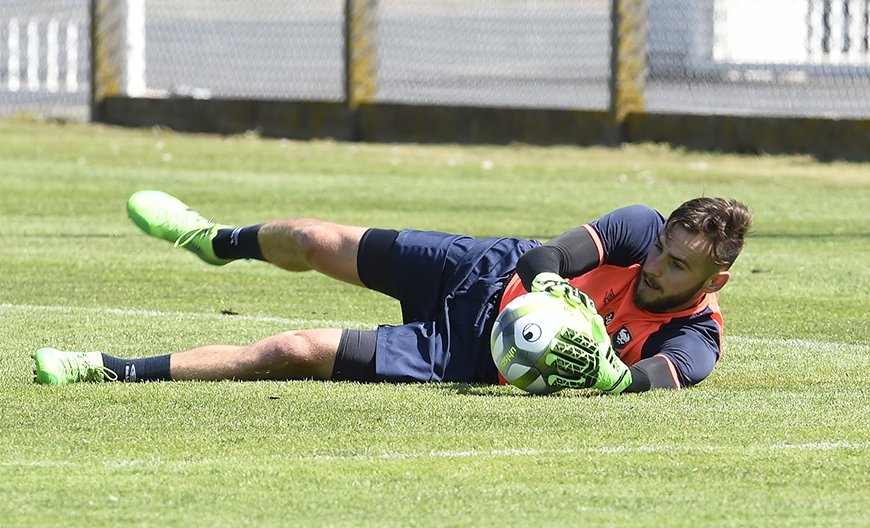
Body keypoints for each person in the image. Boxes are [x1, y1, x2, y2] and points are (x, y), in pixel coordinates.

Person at [32, 190, 753, 393]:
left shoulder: (699, 336)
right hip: (477, 269)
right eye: (662, 249)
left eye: (678, 266)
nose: (657, 265)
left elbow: (657, 380)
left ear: (713, 280)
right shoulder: (637, 229)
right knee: (314, 239)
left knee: (292, 350)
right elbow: (547, 254)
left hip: (469, 353)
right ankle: (211, 239)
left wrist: (609, 376)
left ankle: (104, 367)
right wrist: (555, 289)